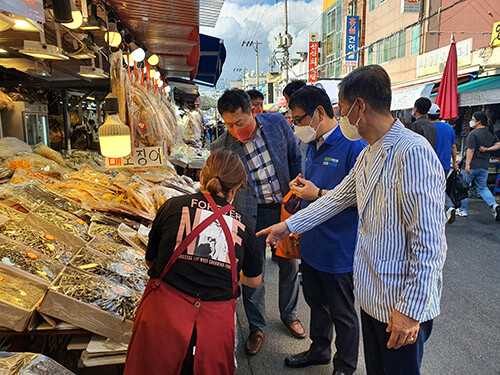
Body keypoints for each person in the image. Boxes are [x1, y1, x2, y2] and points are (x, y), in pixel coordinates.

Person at [258, 65, 447, 375]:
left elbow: (428, 242)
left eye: (342, 109)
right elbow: (334, 199)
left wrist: (410, 311)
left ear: (360, 107)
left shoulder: (411, 152)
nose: (341, 116)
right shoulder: (369, 154)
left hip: (402, 305)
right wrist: (287, 226)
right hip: (375, 297)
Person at [124, 149, 263, 375]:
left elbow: (151, 261)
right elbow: (254, 281)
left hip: (163, 317)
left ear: (201, 178)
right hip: (214, 327)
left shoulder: (172, 206)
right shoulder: (245, 225)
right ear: (236, 189)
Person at [211, 89, 304, 356]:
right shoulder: (221, 147)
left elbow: (294, 157)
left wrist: (297, 196)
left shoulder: (276, 124)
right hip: (250, 214)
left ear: (252, 111)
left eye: (240, 122)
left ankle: (290, 314)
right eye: (228, 124)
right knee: (252, 273)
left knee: (289, 264)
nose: (235, 129)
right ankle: (256, 327)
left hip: (284, 208)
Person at [284, 85, 366, 374]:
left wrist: (317, 193)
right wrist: (301, 192)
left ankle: (344, 366)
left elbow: (362, 199)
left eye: (298, 119)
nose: (296, 127)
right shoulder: (312, 143)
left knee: (342, 312)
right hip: (313, 242)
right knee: (316, 303)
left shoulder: (353, 145)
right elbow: (313, 188)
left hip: (339, 247)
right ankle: (319, 349)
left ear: (319, 112)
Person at [456, 111, 500, 220]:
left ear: (478, 121)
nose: (471, 121)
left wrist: (467, 165)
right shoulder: (490, 133)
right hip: (484, 166)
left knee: (463, 188)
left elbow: (470, 150)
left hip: (472, 166)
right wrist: (487, 149)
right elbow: (498, 144)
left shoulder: (473, 134)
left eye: (472, 119)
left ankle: (463, 210)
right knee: (483, 188)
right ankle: (494, 206)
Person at [428, 103, 458, 224]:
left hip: (431, 164)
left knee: (434, 189)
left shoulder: (429, 128)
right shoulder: (449, 128)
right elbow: (454, 147)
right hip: (445, 164)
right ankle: (442, 211)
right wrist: (455, 162)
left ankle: (448, 206)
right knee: (439, 187)